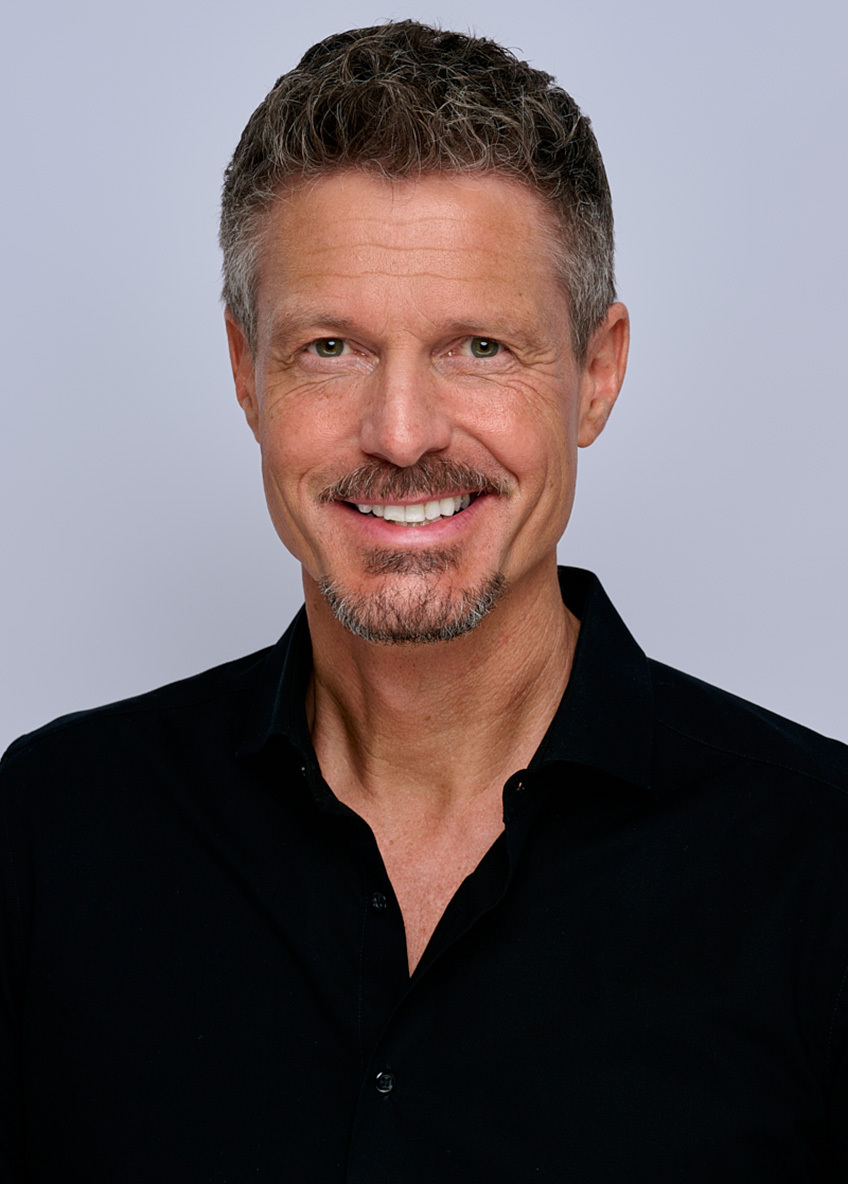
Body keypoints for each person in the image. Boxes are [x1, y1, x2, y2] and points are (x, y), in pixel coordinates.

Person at [2, 19, 847, 1182]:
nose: (400, 434)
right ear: (246, 370)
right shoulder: (49, 832)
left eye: (479, 346)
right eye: (331, 346)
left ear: (594, 373)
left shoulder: (819, 861)